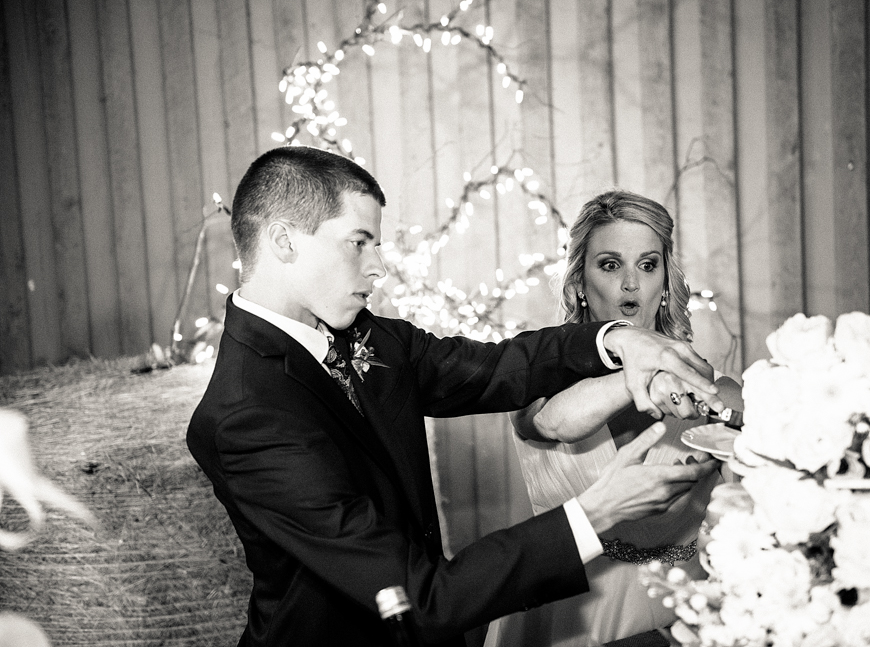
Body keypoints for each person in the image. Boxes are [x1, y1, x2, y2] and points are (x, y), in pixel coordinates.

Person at [186, 147, 726, 647]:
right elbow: (418, 598)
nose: (377, 267)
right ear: (284, 241)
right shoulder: (247, 416)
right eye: (358, 242)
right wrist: (597, 511)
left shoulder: (373, 338)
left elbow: (496, 368)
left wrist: (616, 338)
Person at [486, 191, 744, 647]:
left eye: (648, 265)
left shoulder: (716, 390)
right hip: (565, 620)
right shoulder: (534, 377)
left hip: (682, 618)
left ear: (666, 281)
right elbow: (551, 423)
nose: (631, 285)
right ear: (580, 282)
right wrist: (640, 373)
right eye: (610, 265)